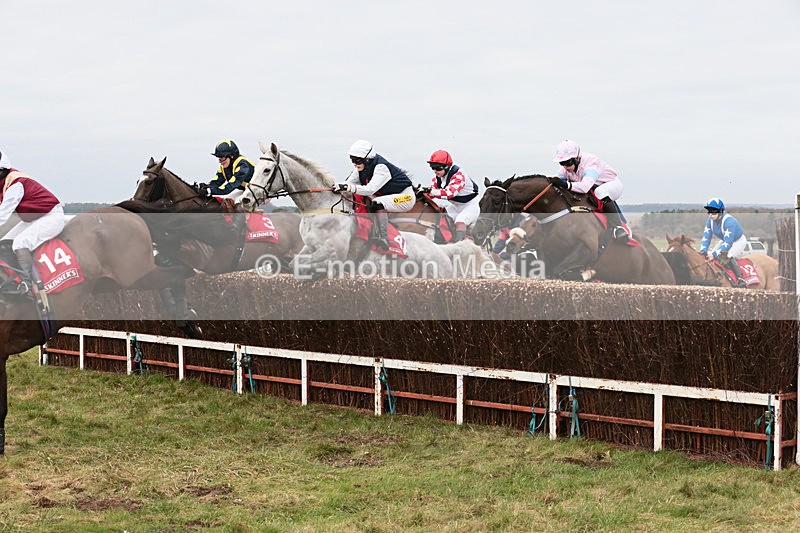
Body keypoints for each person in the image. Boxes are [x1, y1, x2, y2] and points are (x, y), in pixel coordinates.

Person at [0, 149, 65, 291]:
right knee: (4, 243)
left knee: (20, 243)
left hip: (51, 217)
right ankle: (14, 280)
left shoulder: (15, 184)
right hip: (34, 220)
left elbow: (2, 216)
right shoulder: (3, 183)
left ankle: (29, 285)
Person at [336, 140, 416, 250]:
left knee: (378, 203)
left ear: (367, 159)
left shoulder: (381, 168)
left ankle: (384, 238)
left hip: (405, 197)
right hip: (383, 194)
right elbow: (349, 183)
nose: (354, 163)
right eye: (352, 160)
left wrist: (350, 188)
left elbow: (369, 190)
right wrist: (335, 186)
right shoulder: (360, 167)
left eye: (357, 160)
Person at [550, 140, 628, 243]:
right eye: (562, 163)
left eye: (568, 162)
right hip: (593, 187)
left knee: (600, 192)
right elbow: (557, 182)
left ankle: (618, 228)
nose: (565, 166)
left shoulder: (591, 163)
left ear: (577, 158)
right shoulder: (565, 169)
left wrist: (566, 184)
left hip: (611, 184)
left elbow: (584, 187)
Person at [423, 150, 480, 242]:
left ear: (446, 167)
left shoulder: (459, 175)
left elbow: (449, 193)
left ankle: (461, 245)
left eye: (437, 168)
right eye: (432, 167)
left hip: (470, 206)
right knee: (441, 216)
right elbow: (432, 193)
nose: (434, 171)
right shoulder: (437, 178)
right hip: (456, 206)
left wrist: (431, 191)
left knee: (460, 220)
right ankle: (446, 241)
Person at [699, 197, 747, 287]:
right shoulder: (710, 221)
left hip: (737, 241)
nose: (710, 215)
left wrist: (713, 254)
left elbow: (728, 244)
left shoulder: (729, 222)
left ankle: (740, 279)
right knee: (712, 255)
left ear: (720, 211)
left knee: (727, 256)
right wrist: (703, 250)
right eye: (709, 212)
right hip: (724, 240)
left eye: (713, 212)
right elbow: (706, 237)